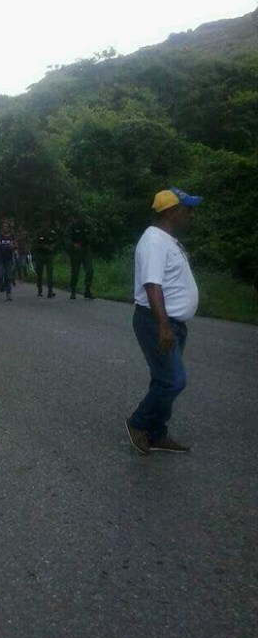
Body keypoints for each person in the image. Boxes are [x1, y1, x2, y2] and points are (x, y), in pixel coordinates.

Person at [125, 187, 202, 456]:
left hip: (172, 323)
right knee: (173, 381)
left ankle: (157, 433)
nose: (191, 214)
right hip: (156, 321)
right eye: (187, 209)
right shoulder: (154, 240)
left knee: (163, 379)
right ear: (171, 211)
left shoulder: (168, 239)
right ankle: (138, 423)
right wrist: (164, 325)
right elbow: (152, 285)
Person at [68, 213, 95, 300]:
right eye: (81, 217)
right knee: (75, 272)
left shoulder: (88, 226)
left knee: (90, 270)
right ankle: (73, 290)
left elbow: (92, 235)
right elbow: (66, 238)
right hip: (76, 251)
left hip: (86, 249)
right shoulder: (72, 226)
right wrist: (73, 244)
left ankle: (87, 290)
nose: (83, 219)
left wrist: (88, 239)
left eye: (84, 217)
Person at [32, 217, 58, 298]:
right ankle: (40, 289)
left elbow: (56, 242)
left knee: (50, 273)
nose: (46, 224)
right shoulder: (39, 233)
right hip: (40, 255)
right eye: (45, 222)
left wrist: (52, 246)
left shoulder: (52, 232)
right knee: (39, 273)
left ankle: (50, 290)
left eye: (48, 222)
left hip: (49, 255)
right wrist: (44, 246)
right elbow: (35, 243)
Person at [0, 220, 16, 301]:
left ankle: (8, 293)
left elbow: (15, 245)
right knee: (0, 275)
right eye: (3, 227)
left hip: (8, 258)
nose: (5, 228)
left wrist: (12, 246)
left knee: (8, 276)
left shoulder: (12, 236)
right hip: (0, 258)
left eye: (6, 227)